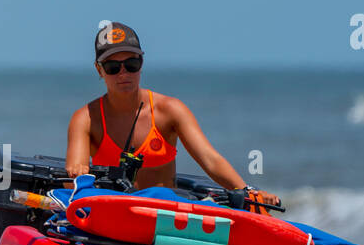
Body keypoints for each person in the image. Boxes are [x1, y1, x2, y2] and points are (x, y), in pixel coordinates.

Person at [66, 22, 279, 208]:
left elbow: (210, 159)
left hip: (164, 216)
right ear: (99, 70)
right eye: (113, 67)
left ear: (142, 63)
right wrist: (77, 171)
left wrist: (249, 192)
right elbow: (77, 174)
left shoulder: (170, 110)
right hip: (116, 217)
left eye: (131, 64)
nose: (123, 74)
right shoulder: (86, 118)